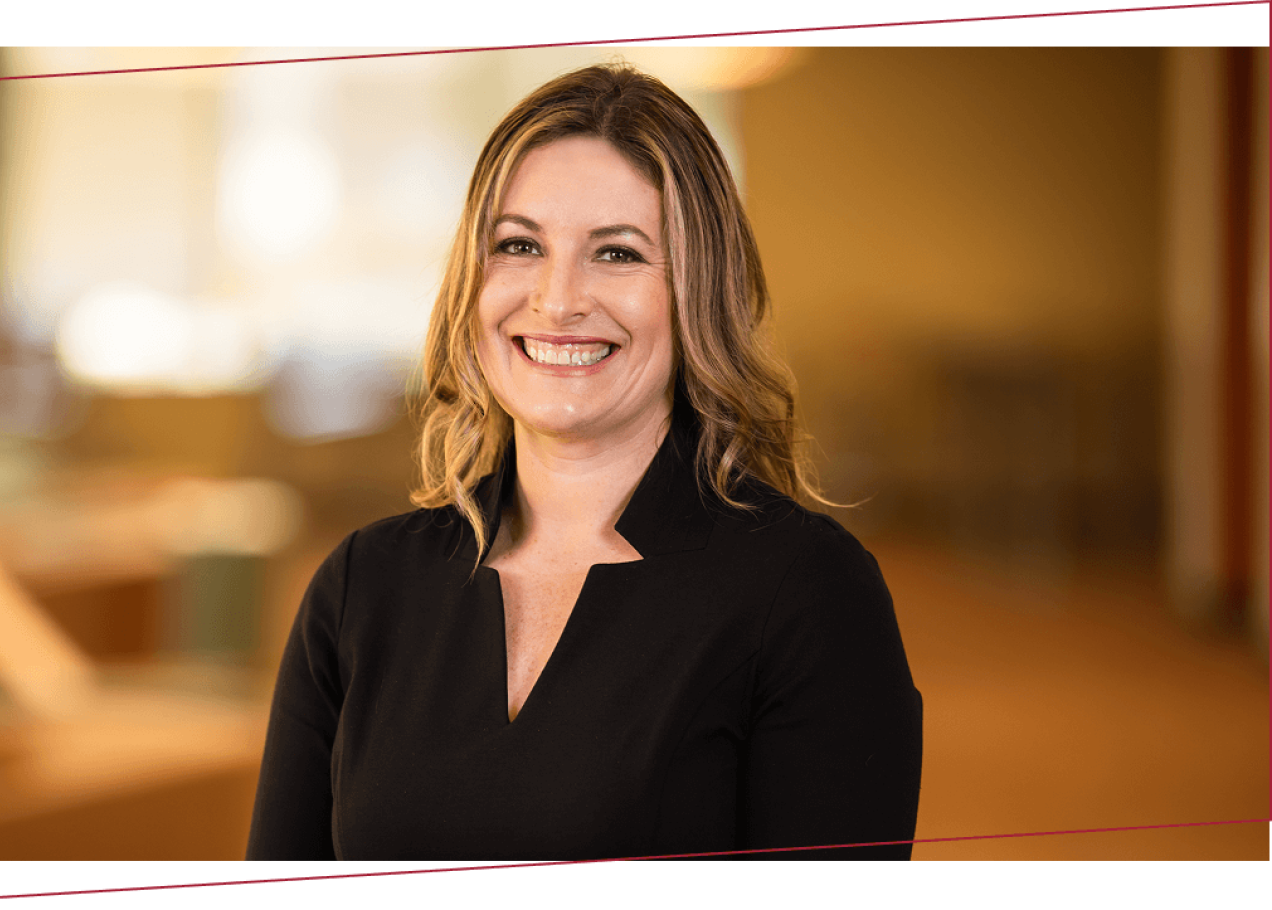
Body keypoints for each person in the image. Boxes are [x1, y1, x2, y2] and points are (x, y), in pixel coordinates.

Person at [246, 63, 921, 862]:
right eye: (520, 245)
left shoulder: (809, 595)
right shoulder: (363, 586)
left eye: (619, 254)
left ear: (699, 293)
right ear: (472, 282)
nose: (558, 298)